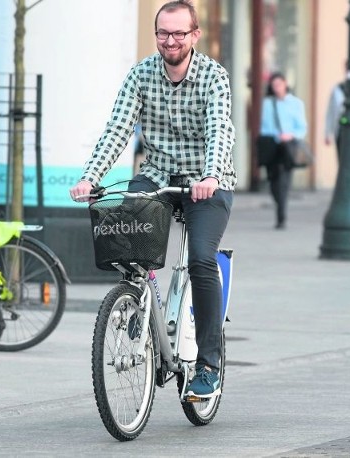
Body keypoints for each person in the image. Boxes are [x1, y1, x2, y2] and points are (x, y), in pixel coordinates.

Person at [69, 0, 236, 397]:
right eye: (164, 33)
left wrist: (211, 175)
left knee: (199, 259)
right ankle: (141, 302)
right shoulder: (142, 74)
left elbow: (220, 131)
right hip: (158, 176)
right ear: (156, 34)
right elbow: (118, 129)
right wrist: (90, 177)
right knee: (127, 236)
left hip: (207, 182)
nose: (171, 40)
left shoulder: (214, 76)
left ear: (194, 35)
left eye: (180, 33)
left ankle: (208, 364)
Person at [259, 72, 307, 230]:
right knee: (273, 182)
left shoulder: (296, 103)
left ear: (285, 84)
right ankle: (280, 203)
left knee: (284, 181)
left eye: (279, 84)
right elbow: (264, 126)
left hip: (288, 146)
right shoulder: (267, 103)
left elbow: (302, 127)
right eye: (274, 85)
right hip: (272, 145)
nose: (277, 87)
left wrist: (290, 135)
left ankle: (281, 216)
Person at [324, 75, 347, 161]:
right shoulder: (337, 89)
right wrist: (327, 133)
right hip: (340, 130)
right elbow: (330, 112)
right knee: (342, 161)